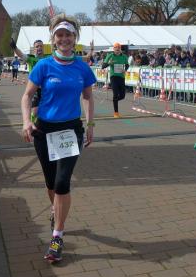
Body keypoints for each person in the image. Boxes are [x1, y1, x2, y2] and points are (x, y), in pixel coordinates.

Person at [20, 15, 96, 263]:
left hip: (70, 131)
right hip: (44, 131)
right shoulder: (43, 66)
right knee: (51, 182)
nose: (64, 39)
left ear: (75, 38)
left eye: (68, 35)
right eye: (59, 35)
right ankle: (56, 210)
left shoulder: (82, 67)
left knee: (63, 182)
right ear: (53, 39)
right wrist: (26, 121)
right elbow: (27, 96)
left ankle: (57, 236)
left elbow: (87, 97)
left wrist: (90, 124)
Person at [102, 42, 128, 118]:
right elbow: (103, 66)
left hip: (121, 77)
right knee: (115, 94)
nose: (117, 49)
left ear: (120, 49)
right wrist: (109, 63)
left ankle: (115, 100)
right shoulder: (110, 56)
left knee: (122, 96)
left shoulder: (124, 56)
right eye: (116, 48)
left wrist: (125, 69)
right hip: (113, 77)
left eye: (119, 48)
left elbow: (127, 65)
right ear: (113, 49)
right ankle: (116, 113)